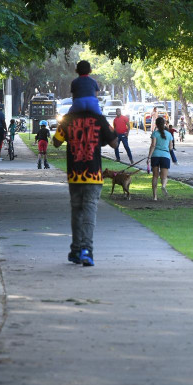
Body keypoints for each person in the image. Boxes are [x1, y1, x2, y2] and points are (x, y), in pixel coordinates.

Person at [53, 107, 118, 267]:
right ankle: (86, 250)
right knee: (90, 210)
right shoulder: (99, 119)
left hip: (75, 174)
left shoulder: (68, 119)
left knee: (77, 211)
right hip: (93, 174)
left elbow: (56, 142)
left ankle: (75, 250)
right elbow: (115, 143)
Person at [147, 116, 172, 200]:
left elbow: (153, 145)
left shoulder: (155, 133)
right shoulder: (169, 134)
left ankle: (155, 196)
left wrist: (149, 157)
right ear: (164, 124)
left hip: (155, 156)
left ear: (156, 124)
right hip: (165, 156)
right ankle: (163, 186)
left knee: (155, 176)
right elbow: (171, 148)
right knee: (164, 177)